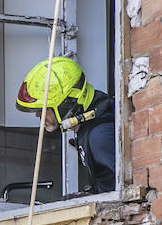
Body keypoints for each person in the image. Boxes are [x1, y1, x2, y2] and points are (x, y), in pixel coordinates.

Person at [15, 56, 116, 194]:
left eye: (42, 110)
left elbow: (129, 185)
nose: (37, 115)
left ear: (66, 104)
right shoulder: (87, 127)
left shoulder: (99, 136)